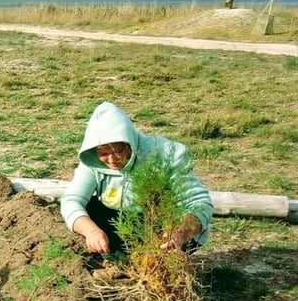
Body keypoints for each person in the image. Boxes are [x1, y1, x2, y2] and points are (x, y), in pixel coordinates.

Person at [60, 101, 213, 255]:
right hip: (124, 226)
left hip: (163, 226)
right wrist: (91, 231)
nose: (112, 159)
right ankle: (116, 259)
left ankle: (159, 263)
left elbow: (199, 203)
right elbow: (72, 200)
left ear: (129, 142)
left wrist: (181, 233)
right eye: (104, 154)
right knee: (88, 210)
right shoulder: (91, 161)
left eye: (119, 151)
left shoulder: (166, 153)